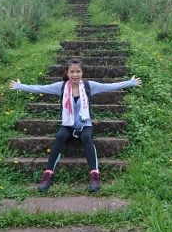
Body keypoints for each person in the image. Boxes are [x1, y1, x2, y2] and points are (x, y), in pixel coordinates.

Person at [10, 58, 142, 192]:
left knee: (86, 137)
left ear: (82, 72)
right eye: (72, 72)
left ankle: (94, 175)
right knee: (60, 136)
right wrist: (21, 86)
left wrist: (130, 83)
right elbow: (40, 88)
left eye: (78, 71)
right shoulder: (60, 87)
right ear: (67, 73)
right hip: (67, 124)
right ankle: (48, 174)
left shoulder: (89, 86)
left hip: (85, 124)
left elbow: (109, 86)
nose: (75, 75)